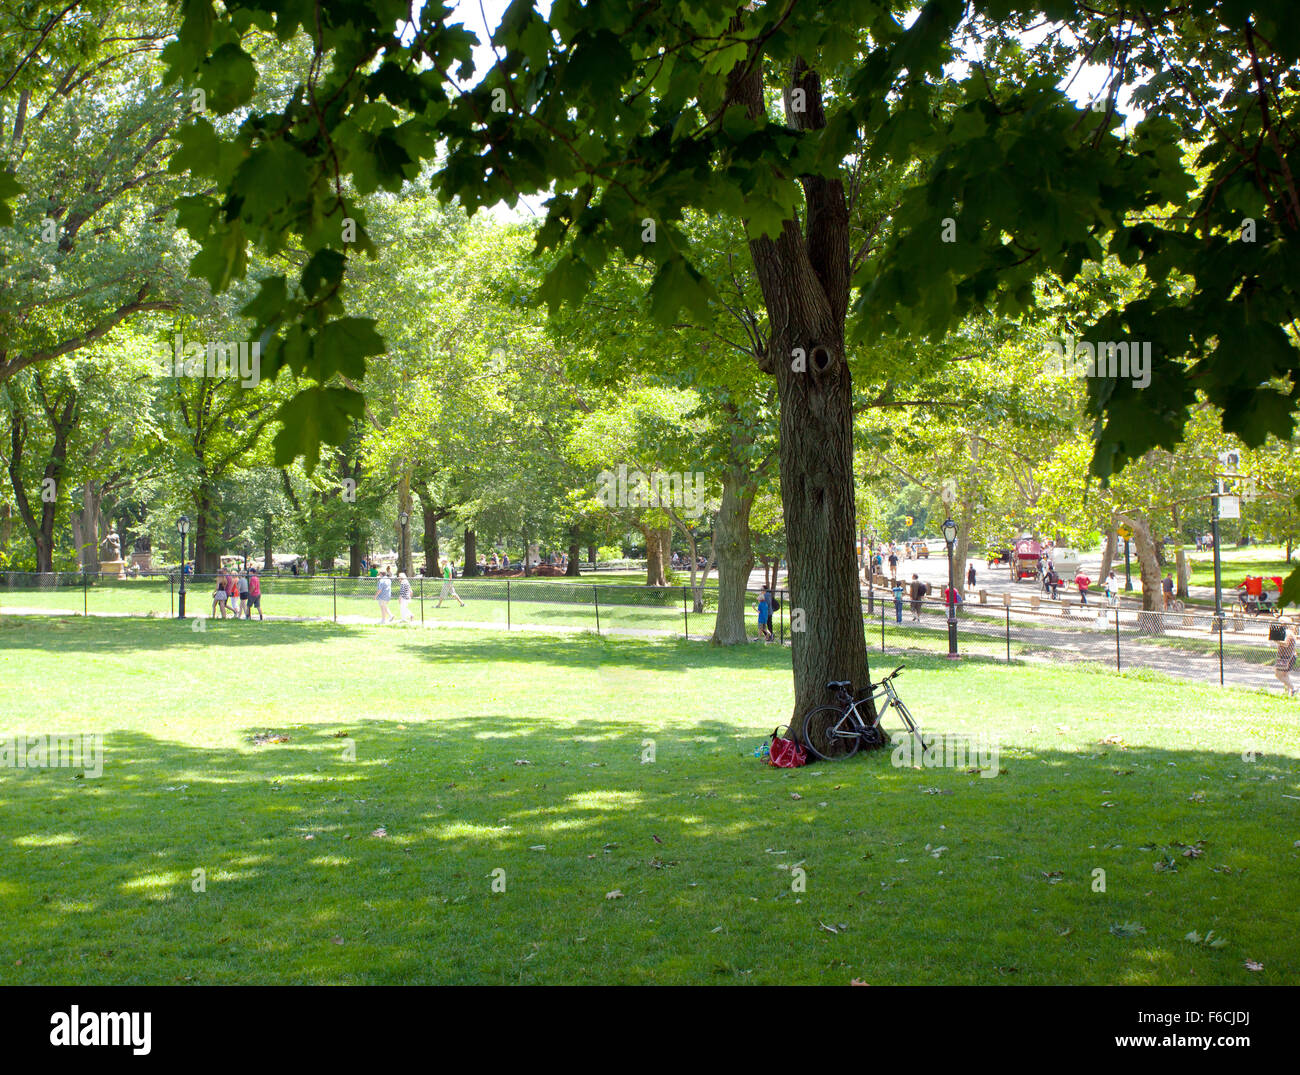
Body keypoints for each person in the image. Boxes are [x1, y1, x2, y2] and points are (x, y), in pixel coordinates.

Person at [1274, 623, 1296, 697]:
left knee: (1278, 674)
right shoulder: (1289, 632)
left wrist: (1275, 640)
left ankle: (1293, 688)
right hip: (1290, 656)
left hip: (1285, 657)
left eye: (1280, 623)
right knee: (1285, 675)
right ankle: (1287, 693)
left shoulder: (1287, 633)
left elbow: (1286, 644)